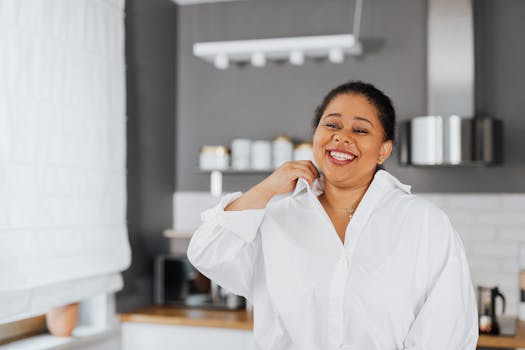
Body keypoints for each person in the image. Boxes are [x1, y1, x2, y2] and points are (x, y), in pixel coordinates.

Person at [187, 81, 478, 350]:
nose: (342, 137)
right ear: (316, 136)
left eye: (360, 130)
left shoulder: (424, 223)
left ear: (383, 150)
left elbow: (446, 331)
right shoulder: (277, 219)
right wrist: (265, 189)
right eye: (332, 125)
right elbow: (207, 252)